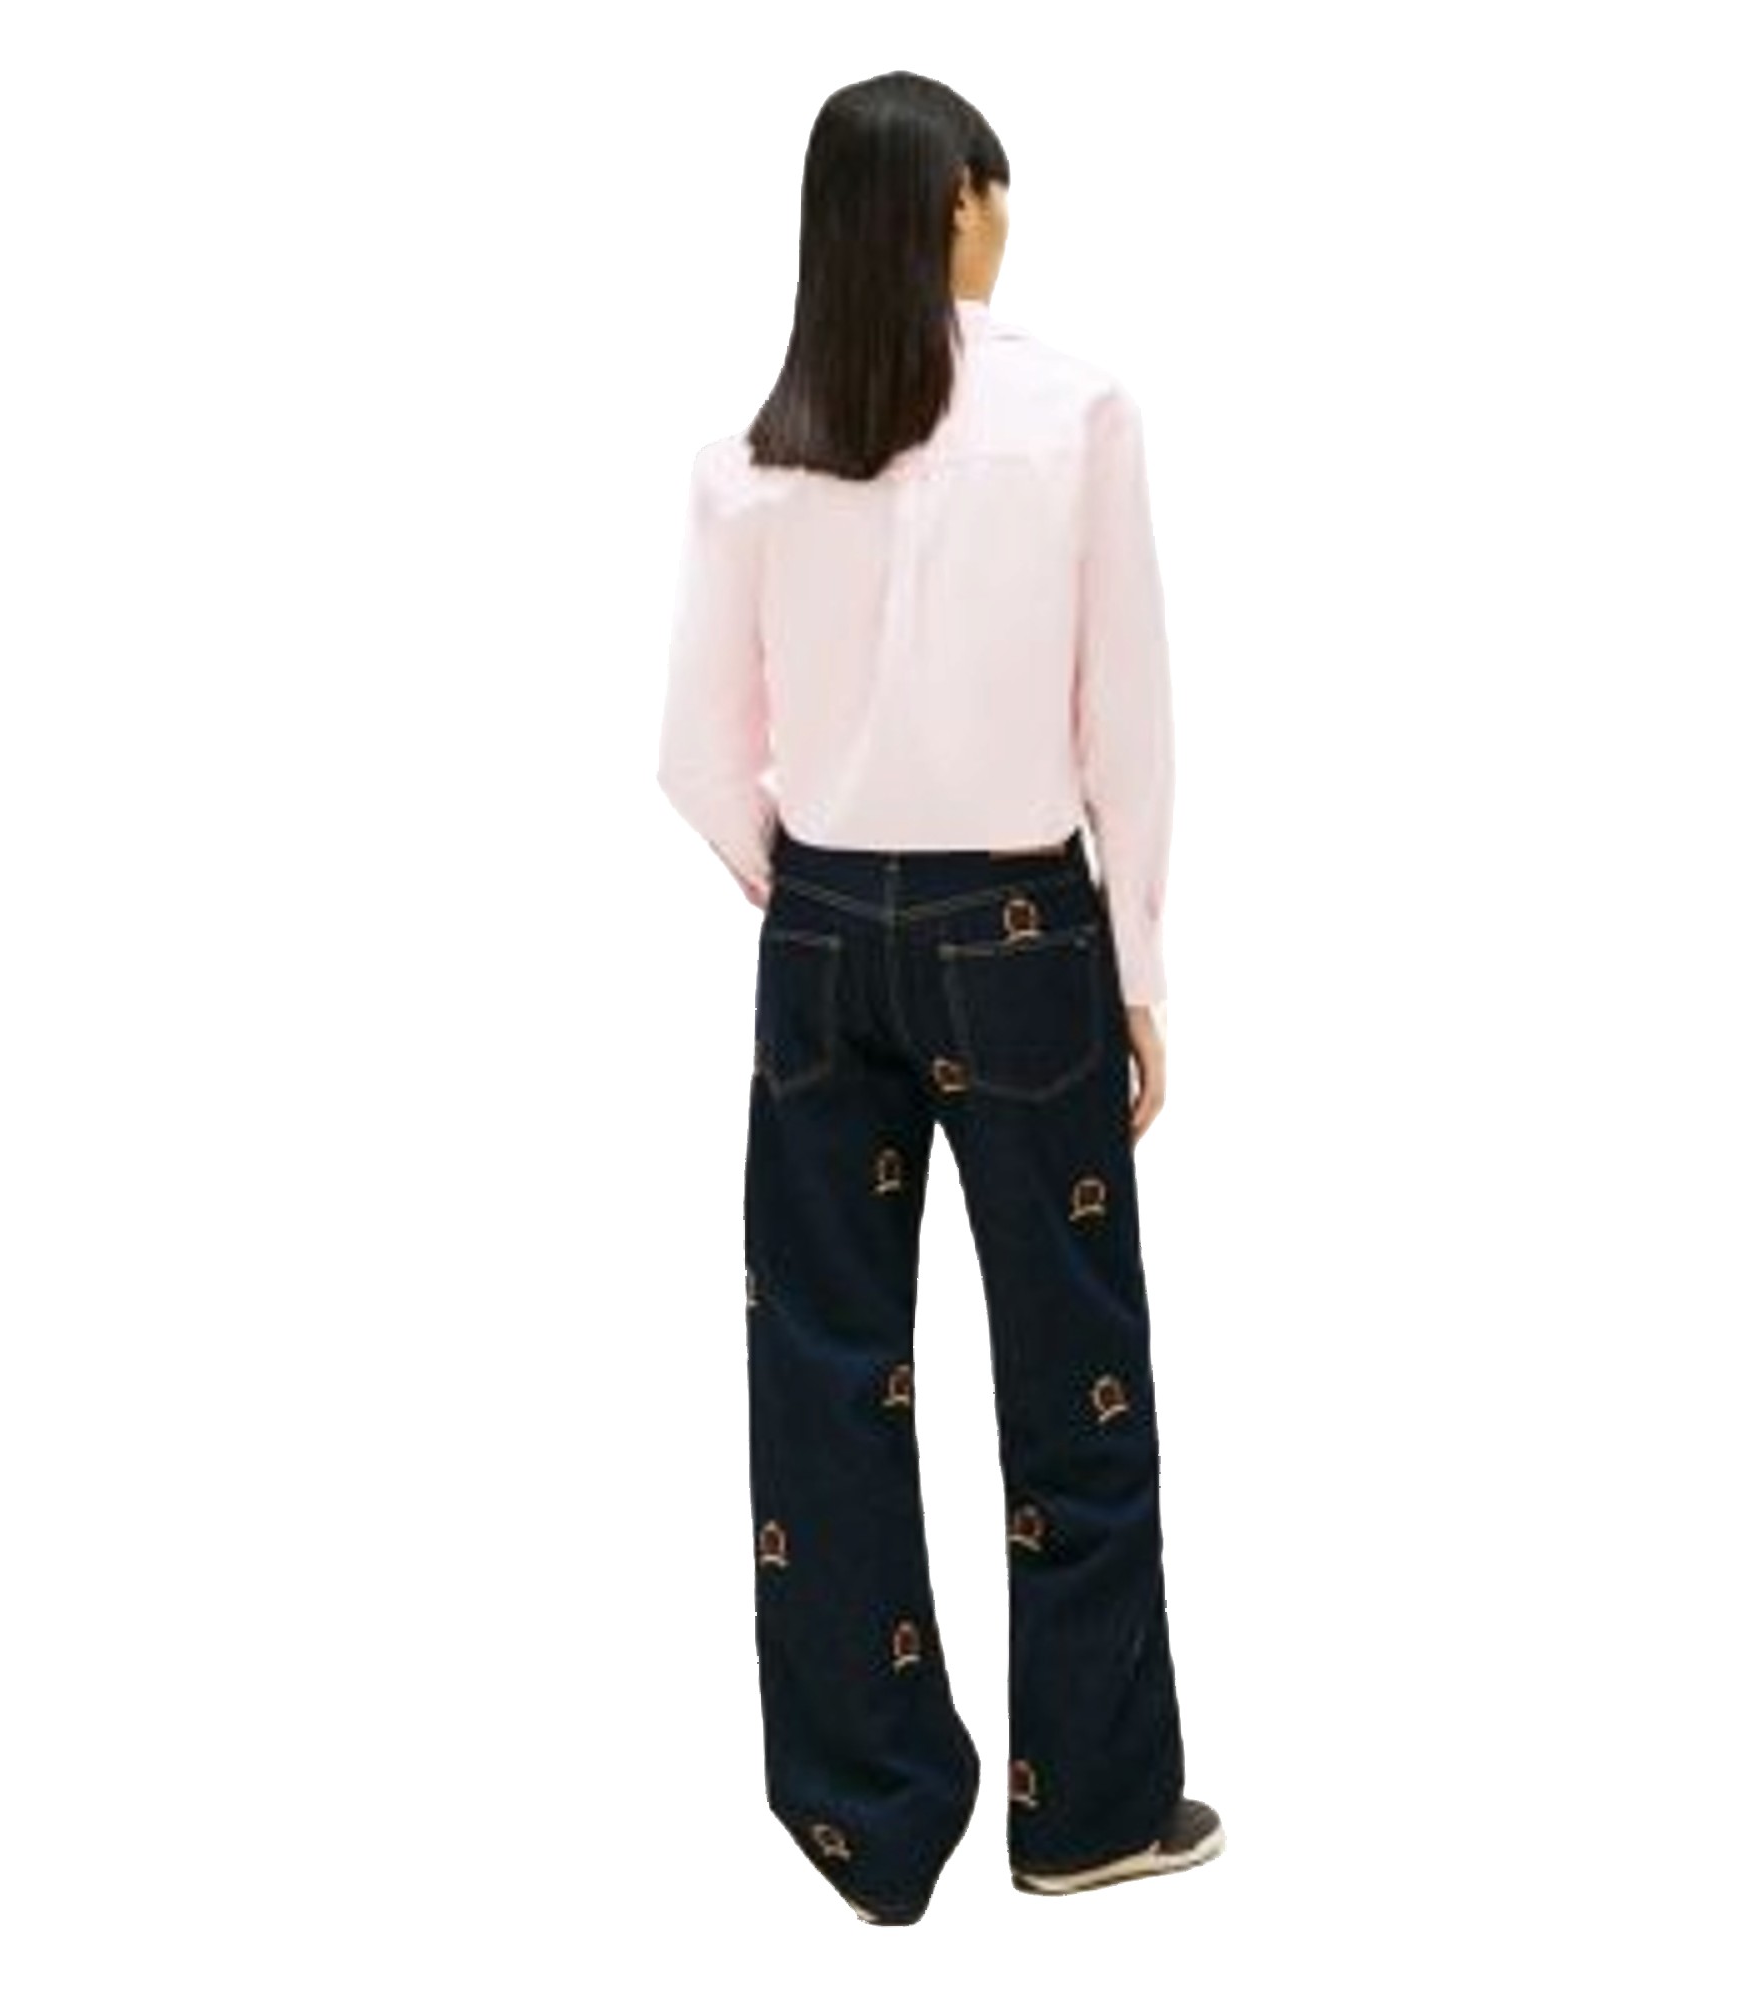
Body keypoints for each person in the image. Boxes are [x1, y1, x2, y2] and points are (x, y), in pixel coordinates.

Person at [656, 70, 1223, 1925]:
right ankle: (1089, 1810)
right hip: (1019, 934)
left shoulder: (756, 455)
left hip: (822, 935)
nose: (1006, 222)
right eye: (999, 191)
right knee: (1075, 1372)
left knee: (825, 1369)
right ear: (961, 204)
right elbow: (1125, 720)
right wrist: (1135, 965)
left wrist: (809, 886)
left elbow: (694, 755)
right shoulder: (1075, 415)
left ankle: (868, 1815)